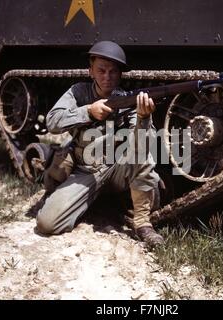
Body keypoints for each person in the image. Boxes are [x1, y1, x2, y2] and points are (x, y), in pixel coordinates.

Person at [36, 41, 164, 246]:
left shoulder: (127, 100)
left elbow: (143, 145)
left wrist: (143, 118)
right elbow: (52, 121)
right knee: (46, 223)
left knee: (142, 155)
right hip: (85, 170)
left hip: (116, 168)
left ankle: (142, 224)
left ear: (120, 74)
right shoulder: (78, 92)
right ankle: (82, 200)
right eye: (101, 70)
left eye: (113, 71)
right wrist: (87, 111)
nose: (107, 77)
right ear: (91, 71)